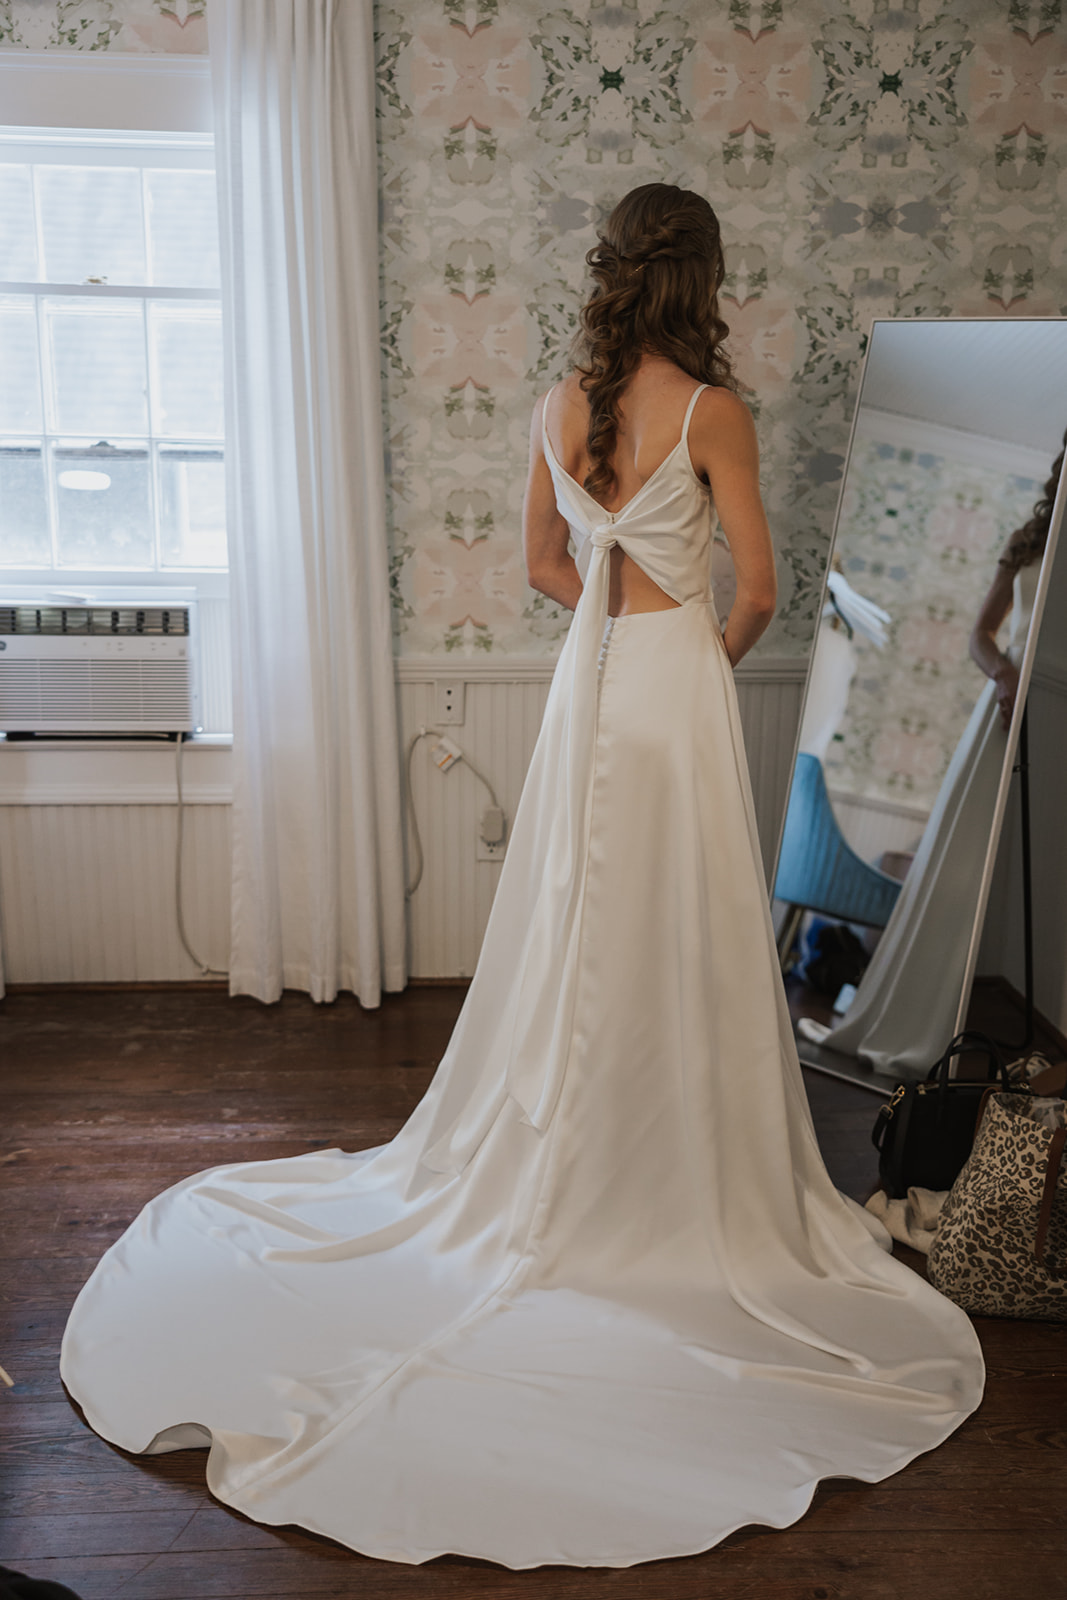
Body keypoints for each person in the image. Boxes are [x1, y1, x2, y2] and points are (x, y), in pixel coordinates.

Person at [60, 184, 985, 1570]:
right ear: (699, 278)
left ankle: (561, 1157)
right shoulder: (712, 412)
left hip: (585, 688)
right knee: (678, 934)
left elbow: (546, 567)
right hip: (667, 687)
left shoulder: (560, 406)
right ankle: (665, 1169)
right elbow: (757, 587)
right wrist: (690, 656)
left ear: (610, 275)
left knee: (572, 932)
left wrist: (611, 637)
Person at [824, 432, 1066, 1077]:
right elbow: (981, 634)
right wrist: (1006, 677)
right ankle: (919, 1020)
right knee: (963, 863)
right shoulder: (1031, 540)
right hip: (1003, 710)